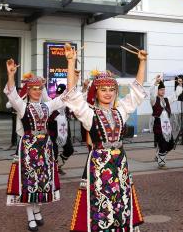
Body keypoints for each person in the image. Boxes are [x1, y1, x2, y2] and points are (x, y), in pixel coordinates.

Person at [63, 44, 147, 232]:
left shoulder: (120, 111)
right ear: (97, 92)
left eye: (111, 89)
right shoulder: (89, 113)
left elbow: (137, 93)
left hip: (119, 163)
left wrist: (142, 63)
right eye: (104, 90)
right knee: (101, 201)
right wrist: (70, 62)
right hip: (99, 165)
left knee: (121, 198)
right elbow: (73, 95)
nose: (108, 93)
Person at [4, 64, 65, 231]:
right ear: (28, 91)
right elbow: (11, 94)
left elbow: (65, 97)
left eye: (40, 88)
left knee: (42, 181)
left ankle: (37, 210)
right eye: (34, 89)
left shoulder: (47, 106)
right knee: (29, 181)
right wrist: (11, 75)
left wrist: (73, 71)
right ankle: (30, 215)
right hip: (29, 147)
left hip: (45, 147)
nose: (38, 91)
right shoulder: (23, 107)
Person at [150, 74, 183, 168]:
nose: (163, 91)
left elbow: (176, 94)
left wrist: (179, 85)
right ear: (157, 91)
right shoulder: (154, 100)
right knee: (163, 144)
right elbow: (151, 93)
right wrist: (155, 84)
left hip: (167, 126)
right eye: (161, 90)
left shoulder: (167, 100)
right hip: (158, 125)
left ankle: (158, 155)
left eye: (164, 90)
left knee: (171, 145)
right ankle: (161, 163)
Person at [47, 84, 75, 175]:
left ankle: (58, 164)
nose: (58, 96)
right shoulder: (52, 102)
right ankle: (52, 170)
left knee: (69, 150)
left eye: (60, 94)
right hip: (53, 130)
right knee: (54, 152)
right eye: (57, 94)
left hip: (64, 130)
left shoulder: (68, 104)